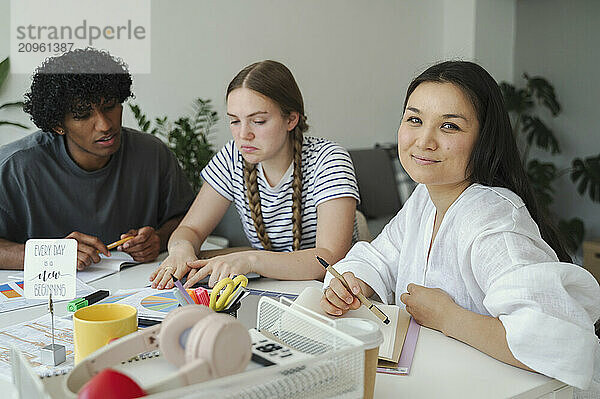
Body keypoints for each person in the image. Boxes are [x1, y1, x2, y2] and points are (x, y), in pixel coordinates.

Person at [320, 61, 600, 391]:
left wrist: (448, 318)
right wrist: (352, 284)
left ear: (484, 139)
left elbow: (557, 341)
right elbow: (377, 258)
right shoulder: (426, 197)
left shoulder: (494, 222)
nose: (424, 140)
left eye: (449, 126)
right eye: (415, 119)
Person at [150, 60, 359, 289]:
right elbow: (191, 229)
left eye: (258, 121)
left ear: (291, 119)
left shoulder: (329, 159)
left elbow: (330, 259)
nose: (243, 135)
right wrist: (181, 250)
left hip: (333, 292)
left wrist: (251, 259)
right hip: (275, 288)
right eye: (234, 121)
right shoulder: (232, 157)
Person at [0, 48, 195, 270]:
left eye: (110, 106)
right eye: (83, 115)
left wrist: (158, 239)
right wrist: (51, 255)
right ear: (58, 125)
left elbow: (189, 220)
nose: (105, 125)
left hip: (136, 291)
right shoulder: (13, 167)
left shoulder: (153, 154)